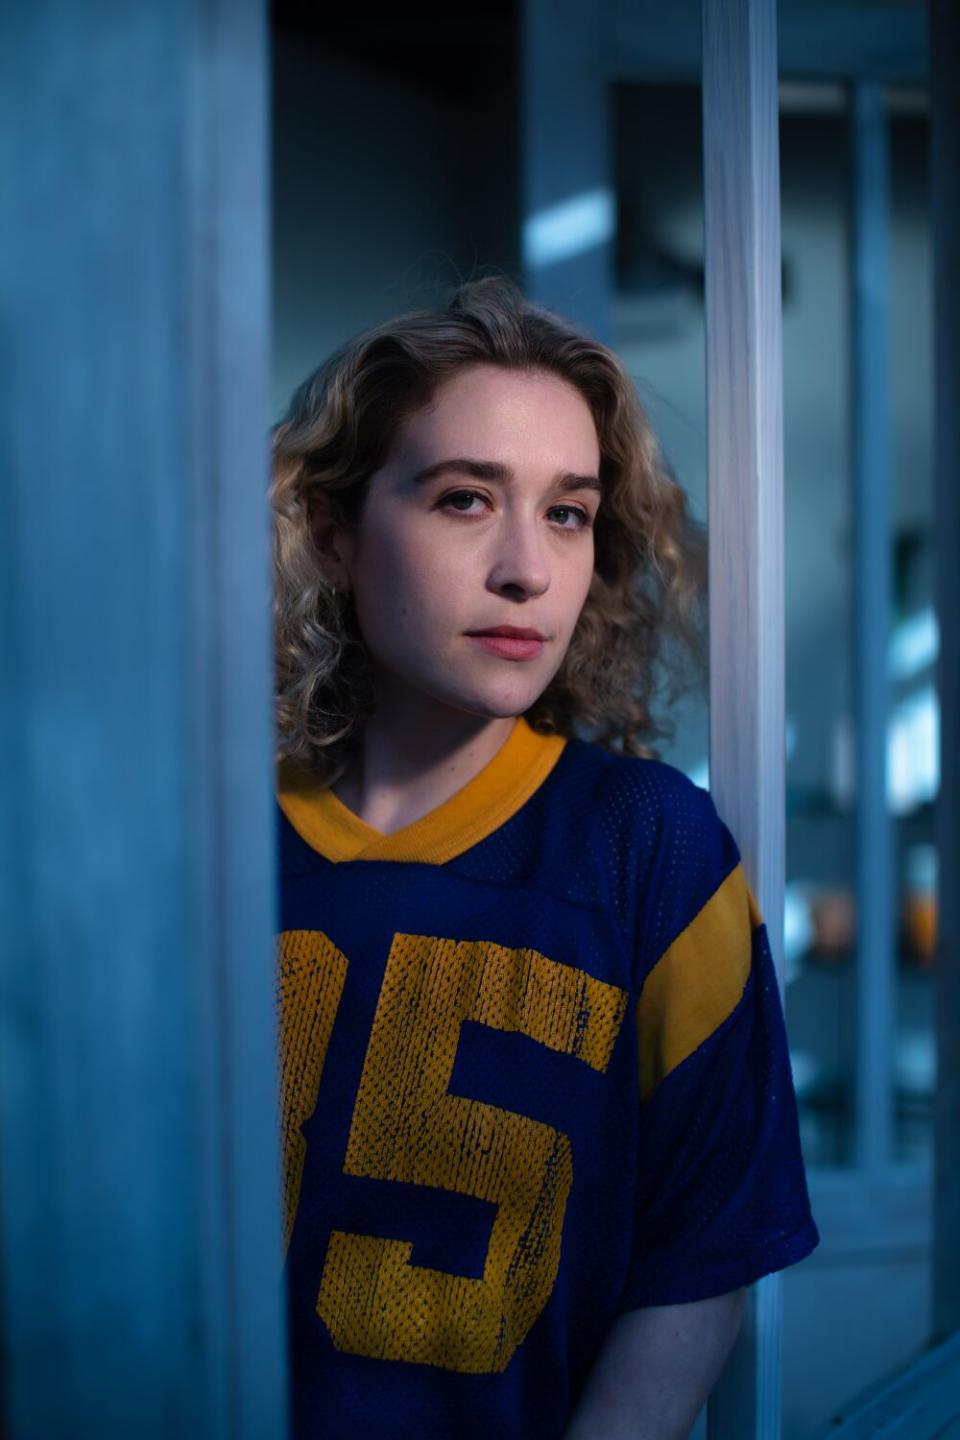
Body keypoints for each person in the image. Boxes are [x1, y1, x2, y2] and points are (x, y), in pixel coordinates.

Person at [270, 274, 820, 1440]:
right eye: (466, 499)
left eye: (567, 512)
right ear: (333, 531)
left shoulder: (651, 849)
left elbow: (707, 1248)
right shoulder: (209, 845)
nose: (527, 568)